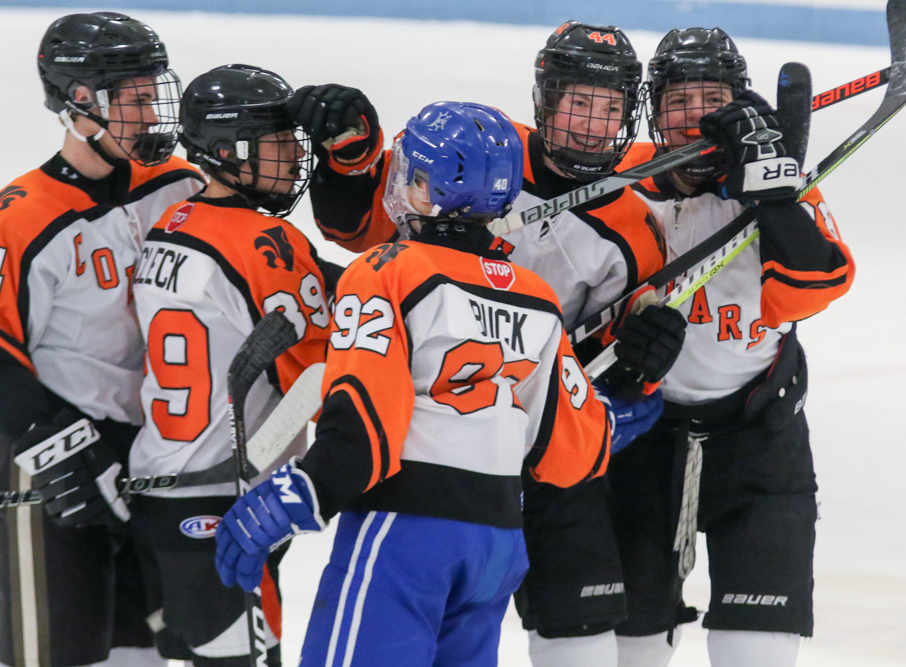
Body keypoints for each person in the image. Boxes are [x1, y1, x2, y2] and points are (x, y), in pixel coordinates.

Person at [285, 22, 688, 666]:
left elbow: (613, 362)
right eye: (577, 103)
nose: (591, 124)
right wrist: (352, 161)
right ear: (544, 99)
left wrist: (643, 359)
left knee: (575, 624)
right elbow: (358, 225)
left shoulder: (635, 225)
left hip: (535, 432)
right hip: (452, 436)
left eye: (609, 109)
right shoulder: (482, 150)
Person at [0, 12, 204, 667]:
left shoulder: (181, 187)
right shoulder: (15, 220)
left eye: (155, 95)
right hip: (50, 459)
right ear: (79, 102)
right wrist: (63, 446)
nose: (151, 115)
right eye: (134, 99)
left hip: (149, 457)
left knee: (141, 656)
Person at [607, 27, 855, 667]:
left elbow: (815, 286)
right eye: (678, 100)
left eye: (712, 97)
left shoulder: (779, 184)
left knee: (756, 650)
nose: (695, 115)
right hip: (639, 440)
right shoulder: (619, 182)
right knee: (629, 646)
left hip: (759, 444)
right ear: (653, 111)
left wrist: (769, 191)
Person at [127, 64, 338, 666]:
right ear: (227, 152)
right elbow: (326, 368)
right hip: (226, 503)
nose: (295, 157)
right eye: (277, 142)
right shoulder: (265, 241)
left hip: (158, 489)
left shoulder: (170, 227)